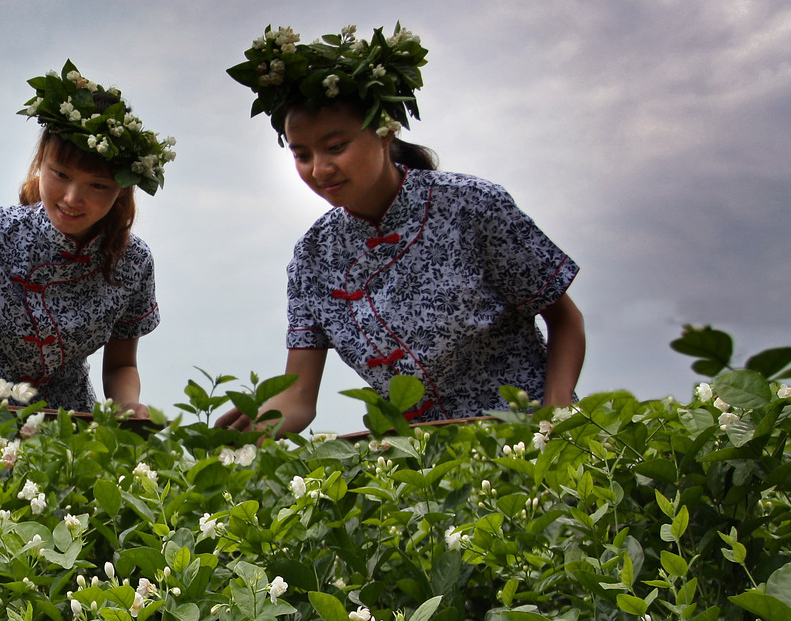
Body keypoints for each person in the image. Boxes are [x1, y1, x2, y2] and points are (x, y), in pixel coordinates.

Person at [218, 24, 585, 436]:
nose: (319, 169)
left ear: (385, 131)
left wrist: (554, 422)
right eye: (302, 155)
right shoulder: (312, 257)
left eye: (335, 147)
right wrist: (260, 422)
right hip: (418, 465)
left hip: (523, 442)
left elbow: (565, 320)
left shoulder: (471, 204)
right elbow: (300, 398)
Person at [0, 61, 175, 415]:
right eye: (60, 174)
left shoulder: (132, 263)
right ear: (40, 162)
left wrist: (127, 406)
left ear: (122, 190)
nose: (73, 198)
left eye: (98, 186)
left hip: (69, 430)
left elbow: (121, 365)